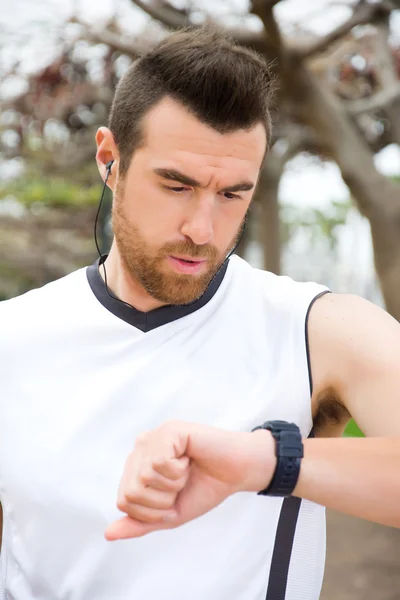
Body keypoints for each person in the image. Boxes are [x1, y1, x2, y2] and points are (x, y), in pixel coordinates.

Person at [0, 27, 399, 600]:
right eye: (177, 185)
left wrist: (266, 462)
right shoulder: (11, 339)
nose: (202, 229)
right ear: (109, 160)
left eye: (233, 194)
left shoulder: (316, 330)